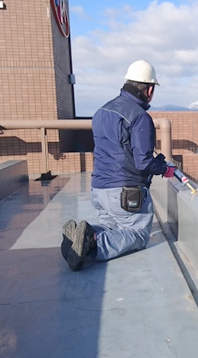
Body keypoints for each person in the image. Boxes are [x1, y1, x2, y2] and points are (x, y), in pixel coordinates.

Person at [61, 60, 175, 271]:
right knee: (137, 235)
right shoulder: (139, 116)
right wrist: (164, 168)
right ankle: (91, 243)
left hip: (98, 190)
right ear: (149, 90)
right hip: (125, 192)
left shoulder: (101, 112)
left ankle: (80, 235)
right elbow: (143, 161)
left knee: (111, 228)